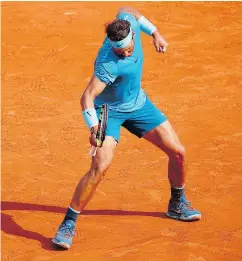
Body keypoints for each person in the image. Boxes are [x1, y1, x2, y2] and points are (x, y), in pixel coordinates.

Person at [52, 6, 201, 250]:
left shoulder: (127, 22)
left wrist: (155, 33)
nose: (126, 53)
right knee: (100, 166)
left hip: (139, 104)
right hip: (109, 112)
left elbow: (129, 9)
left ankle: (177, 204)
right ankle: (68, 223)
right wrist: (93, 127)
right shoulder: (108, 64)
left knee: (178, 152)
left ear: (132, 34)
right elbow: (87, 97)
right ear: (112, 46)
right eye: (120, 51)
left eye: (129, 48)